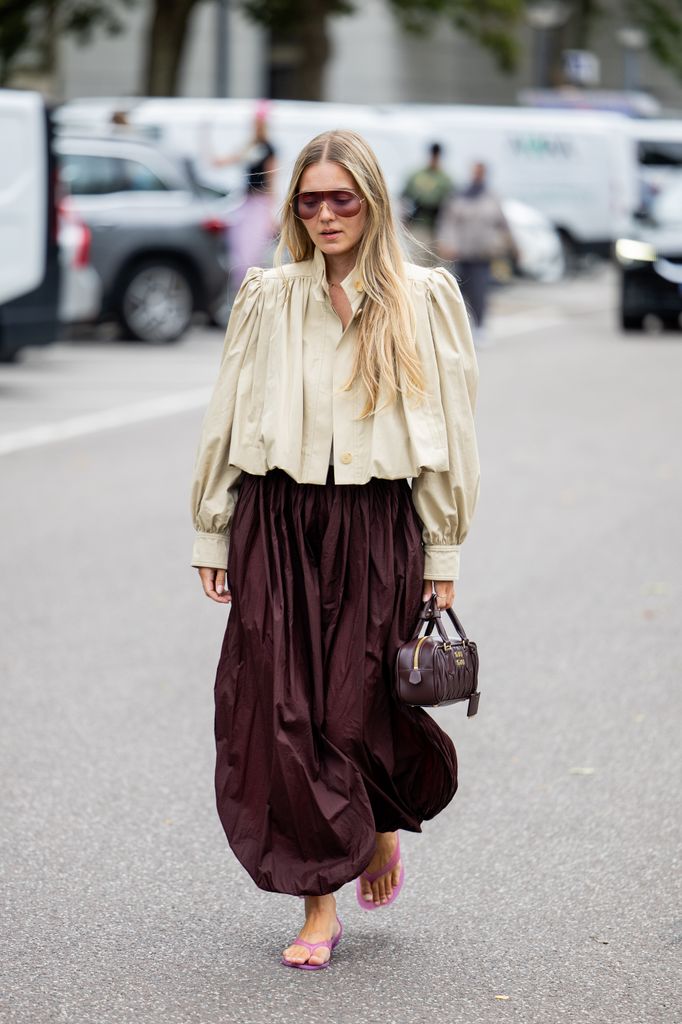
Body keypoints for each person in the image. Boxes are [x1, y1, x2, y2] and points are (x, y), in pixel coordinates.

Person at [190, 130, 480, 970]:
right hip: (276, 521)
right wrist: (213, 525)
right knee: (285, 711)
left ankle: (378, 827)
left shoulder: (425, 299)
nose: (323, 214)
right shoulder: (268, 296)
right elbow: (228, 413)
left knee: (356, 706)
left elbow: (449, 436)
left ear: (373, 202)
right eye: (308, 201)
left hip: (378, 524)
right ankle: (320, 900)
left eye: (340, 198)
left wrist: (443, 552)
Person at [436, 161, 516, 338]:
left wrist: (512, 247)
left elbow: (503, 224)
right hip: (461, 252)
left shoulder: (492, 197)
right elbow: (448, 222)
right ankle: (457, 329)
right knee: (458, 292)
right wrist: (447, 243)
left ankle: (480, 326)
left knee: (479, 291)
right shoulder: (459, 196)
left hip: (482, 253)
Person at [211, 104, 277, 295]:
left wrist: (270, 214)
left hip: (259, 203)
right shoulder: (251, 147)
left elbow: (272, 181)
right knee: (239, 246)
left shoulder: (268, 149)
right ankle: (239, 288)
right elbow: (230, 159)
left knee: (251, 250)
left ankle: (250, 289)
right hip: (247, 202)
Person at [401, 142, 455, 260]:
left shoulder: (445, 179)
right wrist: (404, 221)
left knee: (435, 263)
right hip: (418, 225)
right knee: (417, 260)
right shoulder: (416, 176)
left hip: (437, 228)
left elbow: (451, 207)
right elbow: (404, 199)